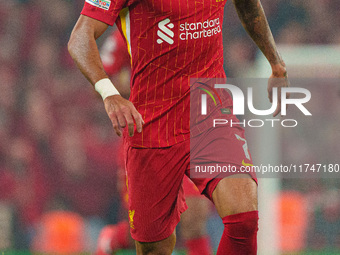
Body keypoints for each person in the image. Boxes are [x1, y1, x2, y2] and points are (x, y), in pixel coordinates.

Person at [68, 0, 288, 253]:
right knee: (155, 247)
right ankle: (115, 238)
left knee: (243, 217)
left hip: (209, 111)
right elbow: (80, 37)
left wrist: (276, 62)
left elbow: (247, 4)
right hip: (151, 127)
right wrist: (110, 94)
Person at [95, 29, 213, 255]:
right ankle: (112, 239)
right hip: (144, 137)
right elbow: (100, 78)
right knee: (150, 230)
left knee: (195, 217)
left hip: (187, 130)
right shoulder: (128, 32)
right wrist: (133, 92)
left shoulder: (195, 22)